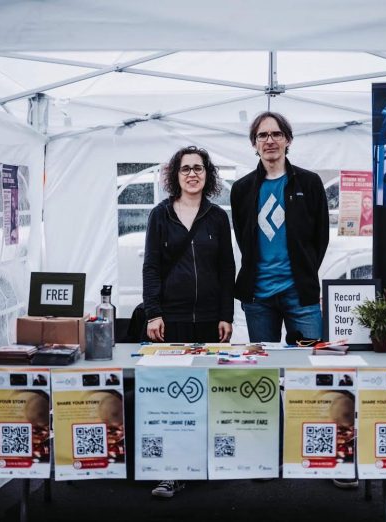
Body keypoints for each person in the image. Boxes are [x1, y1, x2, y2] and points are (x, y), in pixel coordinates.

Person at [143, 146, 235, 498]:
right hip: (172, 321)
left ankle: (204, 462)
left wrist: (226, 314)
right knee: (173, 398)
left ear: (207, 175)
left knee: (207, 395)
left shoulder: (217, 216)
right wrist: (153, 312)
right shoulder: (160, 215)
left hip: (211, 321)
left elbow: (227, 268)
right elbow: (151, 266)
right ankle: (171, 471)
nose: (193, 174)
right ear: (175, 176)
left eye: (199, 168)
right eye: (185, 169)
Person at [231, 112, 329, 343]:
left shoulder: (310, 183)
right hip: (258, 297)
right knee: (265, 368)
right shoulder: (241, 189)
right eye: (262, 135)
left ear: (288, 140)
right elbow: (242, 238)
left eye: (277, 134)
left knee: (310, 363)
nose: (269, 140)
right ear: (254, 143)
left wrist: (303, 272)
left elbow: (321, 238)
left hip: (300, 294)